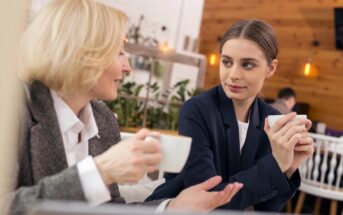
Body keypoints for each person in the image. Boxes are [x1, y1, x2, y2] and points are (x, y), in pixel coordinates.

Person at [8, 0, 243, 214]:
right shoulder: (13, 111)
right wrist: (100, 171)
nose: (128, 67)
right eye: (119, 52)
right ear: (82, 52)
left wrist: (171, 207)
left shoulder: (103, 119)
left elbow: (109, 209)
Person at [147, 19, 314, 211]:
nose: (233, 74)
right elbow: (208, 200)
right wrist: (276, 164)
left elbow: (267, 208)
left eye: (248, 65)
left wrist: (289, 168)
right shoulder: (197, 110)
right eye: (227, 62)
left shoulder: (272, 119)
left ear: (271, 68)